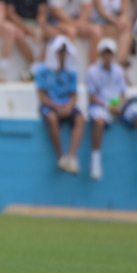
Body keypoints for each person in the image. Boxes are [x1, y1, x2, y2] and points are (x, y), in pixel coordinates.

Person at [86, 38, 137, 181]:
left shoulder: (119, 71)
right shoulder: (92, 71)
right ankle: (95, 161)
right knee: (99, 122)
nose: (107, 56)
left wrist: (120, 105)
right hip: (102, 106)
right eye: (105, 53)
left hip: (118, 105)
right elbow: (92, 96)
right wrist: (108, 106)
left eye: (109, 53)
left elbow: (122, 93)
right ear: (100, 54)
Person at [36, 36, 85, 174]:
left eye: (64, 52)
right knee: (51, 119)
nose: (62, 55)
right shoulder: (43, 70)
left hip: (66, 106)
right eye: (59, 52)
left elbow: (74, 94)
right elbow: (42, 95)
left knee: (81, 119)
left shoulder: (72, 71)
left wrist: (69, 107)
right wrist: (56, 106)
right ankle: (61, 155)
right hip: (51, 106)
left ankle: (72, 156)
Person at [4, 0, 54, 77]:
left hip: (33, 22)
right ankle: (34, 65)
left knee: (54, 35)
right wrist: (26, 28)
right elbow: (10, 12)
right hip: (18, 22)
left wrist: (40, 27)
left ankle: (36, 66)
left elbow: (42, 11)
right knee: (18, 34)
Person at [92, 0, 132, 66]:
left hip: (112, 24)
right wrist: (116, 20)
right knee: (121, 28)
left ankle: (120, 63)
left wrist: (121, 21)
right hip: (99, 22)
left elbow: (125, 12)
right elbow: (100, 10)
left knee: (127, 27)